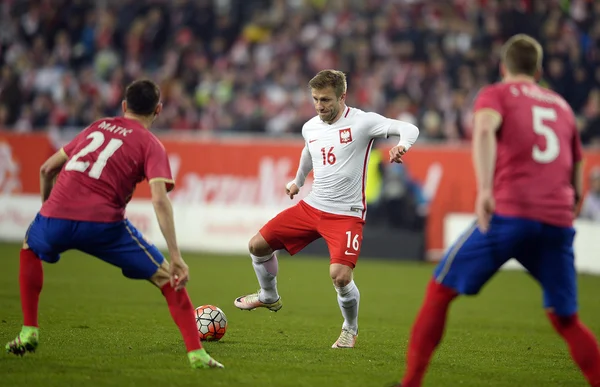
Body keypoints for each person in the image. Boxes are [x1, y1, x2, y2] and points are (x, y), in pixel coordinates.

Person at [396, 34, 600, 387]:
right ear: (538, 71)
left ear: (503, 67)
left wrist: (486, 189)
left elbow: (486, 130)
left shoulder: (496, 94)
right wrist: (572, 205)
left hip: (511, 213)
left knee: (441, 290)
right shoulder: (562, 106)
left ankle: (411, 382)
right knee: (565, 318)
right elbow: (578, 166)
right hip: (556, 221)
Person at [5, 80, 224, 370]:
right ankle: (197, 355)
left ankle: (29, 331)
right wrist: (176, 257)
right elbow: (159, 201)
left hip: (55, 217)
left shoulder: (97, 127)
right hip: (104, 224)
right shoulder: (151, 144)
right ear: (158, 110)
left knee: (29, 247)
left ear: (124, 106)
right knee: (167, 279)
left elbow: (47, 168)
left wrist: (46, 212)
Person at [233, 69, 420, 348]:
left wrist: (402, 146)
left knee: (340, 276)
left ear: (342, 96)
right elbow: (309, 151)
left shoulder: (363, 122)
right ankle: (268, 294)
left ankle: (350, 329)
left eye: (326, 100)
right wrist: (297, 182)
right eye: (316, 99)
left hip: (346, 214)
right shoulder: (310, 126)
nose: (320, 106)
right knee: (257, 246)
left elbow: (409, 128)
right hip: (312, 206)